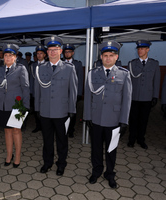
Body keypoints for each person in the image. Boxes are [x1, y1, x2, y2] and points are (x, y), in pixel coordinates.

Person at [84, 41, 132, 188]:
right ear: (101, 56)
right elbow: (87, 97)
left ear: (116, 57)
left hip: (113, 120)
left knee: (111, 150)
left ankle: (110, 174)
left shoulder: (124, 74)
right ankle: (96, 171)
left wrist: (124, 121)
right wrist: (87, 117)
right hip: (96, 119)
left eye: (111, 55)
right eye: (105, 55)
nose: (108, 58)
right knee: (96, 149)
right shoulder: (92, 74)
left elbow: (127, 99)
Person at [35, 36, 78, 176]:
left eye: (56, 49)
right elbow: (37, 90)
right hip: (45, 111)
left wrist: (72, 110)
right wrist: (37, 108)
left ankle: (61, 164)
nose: (53, 52)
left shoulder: (69, 68)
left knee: (61, 140)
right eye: (50, 50)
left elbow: (73, 91)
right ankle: (47, 163)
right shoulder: (40, 69)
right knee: (47, 140)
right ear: (47, 52)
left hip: (61, 112)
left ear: (60, 51)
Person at [0, 44, 30, 168]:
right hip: (2, 105)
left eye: (10, 55)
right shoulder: (0, 70)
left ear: (15, 57)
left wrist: (25, 106)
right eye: (6, 55)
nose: (7, 58)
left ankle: (17, 156)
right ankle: (9, 155)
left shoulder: (21, 69)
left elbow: (25, 88)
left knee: (16, 131)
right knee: (7, 131)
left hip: (17, 105)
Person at [127, 40, 160, 149]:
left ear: (147, 49)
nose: (140, 51)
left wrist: (155, 96)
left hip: (147, 97)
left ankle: (141, 139)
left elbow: (156, 81)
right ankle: (131, 139)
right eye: (138, 49)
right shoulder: (132, 63)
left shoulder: (154, 64)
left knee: (144, 120)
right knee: (133, 119)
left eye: (142, 49)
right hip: (134, 97)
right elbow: (129, 81)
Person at [63, 44, 84, 138]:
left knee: (72, 113)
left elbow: (80, 79)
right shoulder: (60, 63)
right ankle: (63, 129)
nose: (67, 54)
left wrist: (79, 93)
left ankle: (71, 130)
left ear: (73, 53)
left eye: (69, 52)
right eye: (66, 52)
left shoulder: (78, 64)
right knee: (63, 113)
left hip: (73, 94)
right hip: (62, 94)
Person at [30, 46, 47, 133]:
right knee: (36, 109)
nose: (39, 55)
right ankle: (38, 126)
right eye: (38, 54)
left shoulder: (48, 65)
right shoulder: (33, 65)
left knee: (44, 110)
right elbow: (31, 79)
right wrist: (31, 92)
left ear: (44, 55)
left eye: (41, 53)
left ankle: (45, 127)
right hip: (36, 92)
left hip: (45, 92)